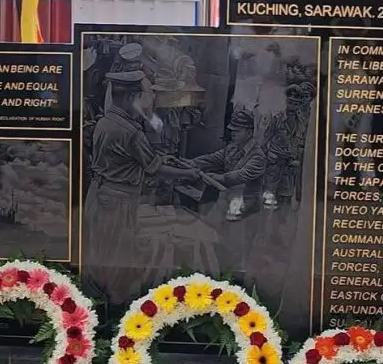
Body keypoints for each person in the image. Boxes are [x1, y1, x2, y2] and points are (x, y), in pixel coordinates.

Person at [83, 70, 199, 302]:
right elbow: (155, 168)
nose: (152, 99)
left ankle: (103, 304)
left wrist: (163, 159)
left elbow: (132, 159)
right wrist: (189, 173)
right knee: (119, 260)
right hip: (118, 202)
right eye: (147, 94)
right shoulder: (129, 131)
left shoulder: (107, 121)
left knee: (102, 255)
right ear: (131, 97)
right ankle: (116, 314)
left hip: (102, 195)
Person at [189, 108, 266, 222]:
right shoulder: (232, 148)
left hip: (247, 210)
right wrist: (192, 162)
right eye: (232, 130)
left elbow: (239, 176)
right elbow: (213, 158)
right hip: (228, 202)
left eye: (237, 131)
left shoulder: (258, 156)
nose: (233, 134)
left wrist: (216, 177)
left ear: (249, 133)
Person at [262, 83, 313, 209]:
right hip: (274, 164)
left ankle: (282, 225)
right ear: (286, 101)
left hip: (289, 166)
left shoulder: (300, 122)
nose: (293, 106)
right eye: (290, 102)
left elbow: (300, 141)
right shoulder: (277, 118)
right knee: (268, 199)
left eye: (296, 103)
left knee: (285, 199)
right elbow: (265, 139)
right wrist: (268, 155)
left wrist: (296, 159)